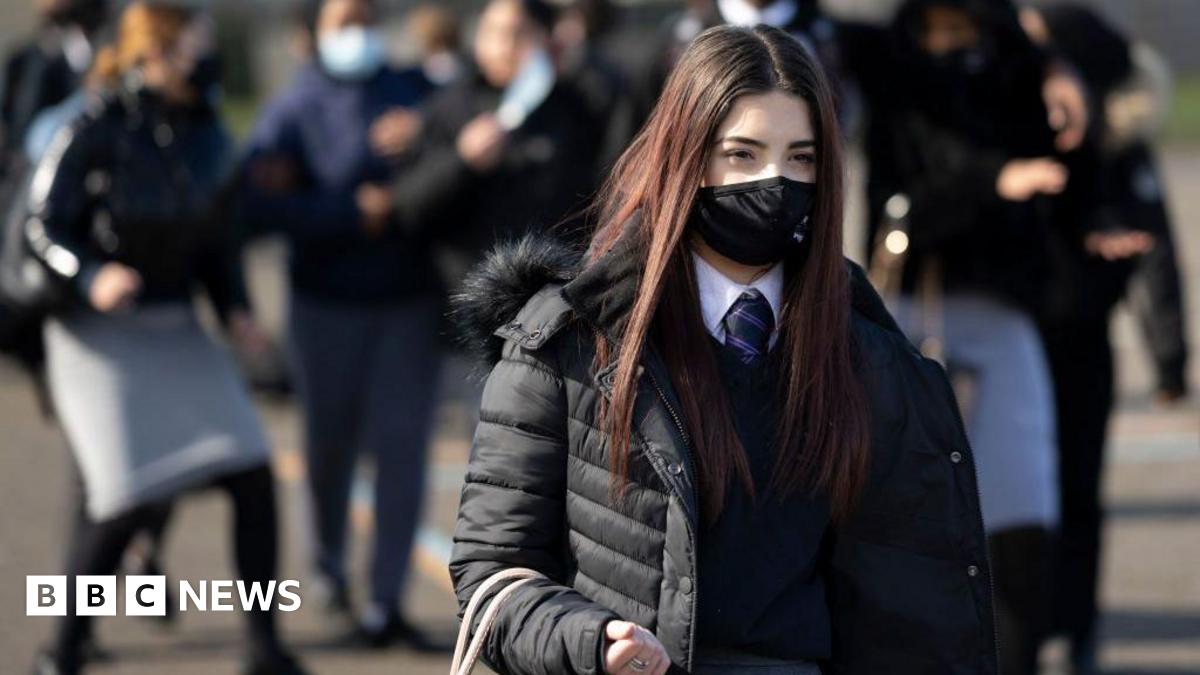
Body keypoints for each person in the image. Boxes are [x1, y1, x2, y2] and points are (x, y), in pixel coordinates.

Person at [448, 24, 996, 675]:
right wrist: (593, 640)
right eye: (741, 154)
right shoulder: (565, 341)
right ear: (684, 156)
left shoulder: (873, 358)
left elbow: (914, 609)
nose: (775, 180)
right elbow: (492, 572)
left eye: (801, 158)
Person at [24, 4, 303, 674]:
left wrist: (235, 308)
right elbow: (41, 225)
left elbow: (216, 241)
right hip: (97, 331)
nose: (208, 57)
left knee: (251, 473)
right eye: (196, 45)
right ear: (156, 51)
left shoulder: (207, 131)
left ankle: (264, 646)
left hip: (176, 323)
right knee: (123, 494)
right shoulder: (96, 123)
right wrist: (89, 276)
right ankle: (61, 648)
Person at [869, 2, 1073, 672]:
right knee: (902, 517)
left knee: (1020, 516)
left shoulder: (1023, 62)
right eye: (941, 28)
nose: (954, 40)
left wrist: (1060, 68)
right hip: (912, 313)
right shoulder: (890, 66)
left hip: (1005, 312)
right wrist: (994, 179)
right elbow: (908, 198)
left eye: (966, 27)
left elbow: (1096, 116)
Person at [238, 0, 443, 650]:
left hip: (407, 304)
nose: (359, 34)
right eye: (344, 22)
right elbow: (260, 202)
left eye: (366, 19)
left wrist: (426, 132)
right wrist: (349, 212)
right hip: (323, 306)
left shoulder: (415, 92)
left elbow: (465, 135)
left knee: (403, 451)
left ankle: (386, 601)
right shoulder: (292, 107)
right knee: (327, 447)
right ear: (314, 34)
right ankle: (326, 568)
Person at [1021, 5, 1191, 672]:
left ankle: (1077, 626)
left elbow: (1156, 254)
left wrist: (1170, 356)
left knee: (1078, 492)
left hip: (1081, 342)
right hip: (1015, 341)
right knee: (1017, 497)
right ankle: (1024, 628)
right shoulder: (1012, 129)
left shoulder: (1121, 149)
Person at [388, 0, 610, 268]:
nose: (503, 47)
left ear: (546, 38)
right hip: (467, 290)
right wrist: (463, 161)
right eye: (492, 31)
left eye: (518, 34)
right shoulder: (448, 106)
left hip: (553, 287)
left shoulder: (575, 106)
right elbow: (408, 205)